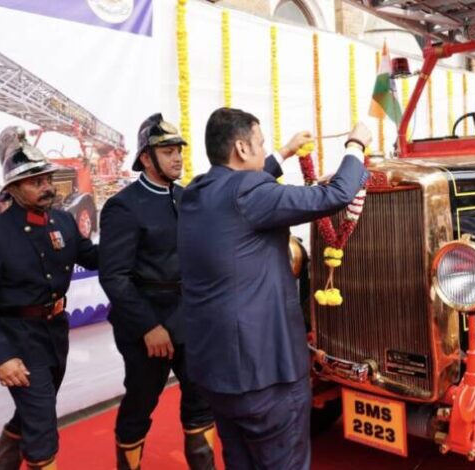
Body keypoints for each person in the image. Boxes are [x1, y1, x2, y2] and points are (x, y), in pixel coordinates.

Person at [178, 107, 370, 469]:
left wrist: (282, 153)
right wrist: (355, 144)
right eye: (260, 143)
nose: (263, 148)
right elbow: (338, 195)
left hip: (215, 373)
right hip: (263, 374)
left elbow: (240, 188)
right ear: (241, 147)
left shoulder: (197, 191)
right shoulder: (251, 194)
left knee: (240, 460)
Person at [0, 127, 99, 470]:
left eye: (47, 178)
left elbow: (93, 256)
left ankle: (3, 462)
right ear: (12, 188)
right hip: (19, 340)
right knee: (42, 427)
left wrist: (134, 246)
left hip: (55, 333)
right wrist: (1, 358)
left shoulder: (63, 220)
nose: (46, 187)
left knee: (33, 409)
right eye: (34, 181)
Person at [99, 114, 215, 470]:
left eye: (178, 150)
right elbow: (115, 276)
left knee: (200, 399)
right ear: (146, 158)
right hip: (146, 323)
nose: (177, 157)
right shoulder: (123, 205)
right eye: (167, 151)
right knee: (140, 401)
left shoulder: (185, 197)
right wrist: (149, 326)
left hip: (189, 317)